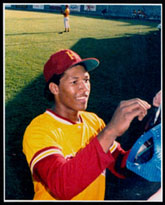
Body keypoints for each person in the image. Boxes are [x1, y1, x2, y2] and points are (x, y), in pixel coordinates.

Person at [23, 49, 151, 200]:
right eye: (74, 82)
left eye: (86, 80)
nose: (84, 88)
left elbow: (120, 166)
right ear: (54, 88)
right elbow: (62, 186)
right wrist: (110, 131)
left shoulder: (94, 121)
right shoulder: (39, 129)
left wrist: (152, 138)